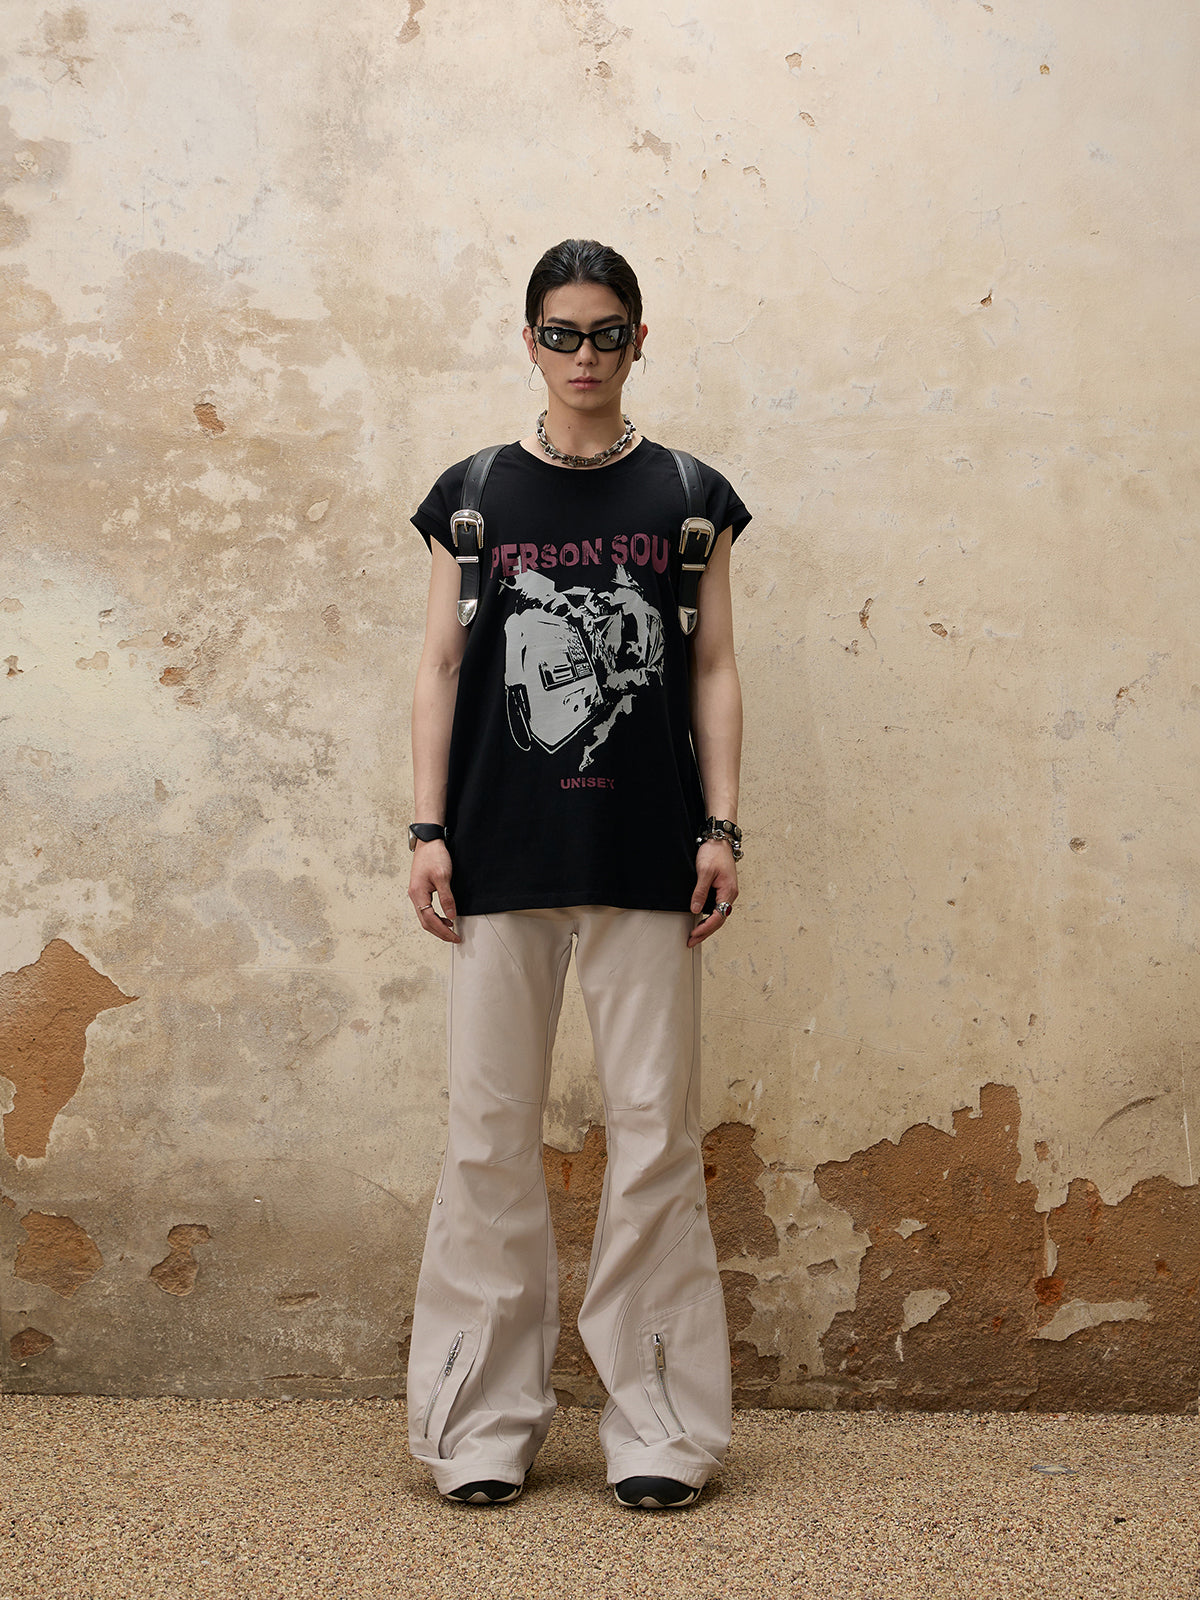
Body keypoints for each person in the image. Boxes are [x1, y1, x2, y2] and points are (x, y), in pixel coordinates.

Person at [405, 239, 750, 1511]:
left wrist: (722, 827)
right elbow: (442, 666)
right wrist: (426, 830)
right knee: (488, 1137)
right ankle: (478, 1426)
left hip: (650, 856)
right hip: (496, 853)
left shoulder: (691, 495)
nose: (585, 355)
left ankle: (660, 1427)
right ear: (530, 341)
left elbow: (712, 665)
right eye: (562, 333)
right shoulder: (473, 495)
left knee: (654, 1135)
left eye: (608, 332)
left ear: (639, 339)